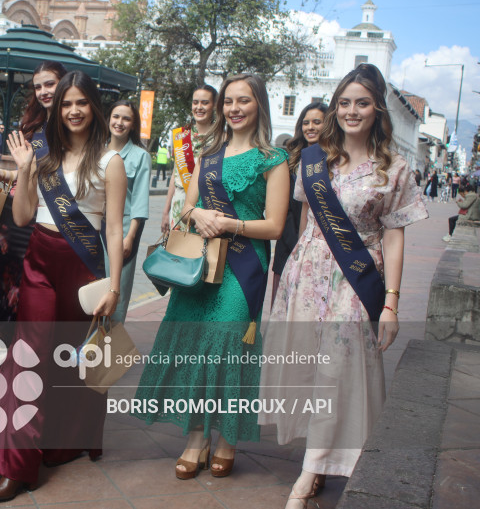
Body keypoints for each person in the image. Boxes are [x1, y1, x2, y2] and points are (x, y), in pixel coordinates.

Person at [258, 63, 428, 508]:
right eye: (345, 102)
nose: (352, 111)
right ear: (336, 108)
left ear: (378, 110)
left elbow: (394, 236)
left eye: (363, 103)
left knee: (337, 372)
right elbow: (307, 220)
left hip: (356, 280)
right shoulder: (315, 159)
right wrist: (290, 277)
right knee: (310, 370)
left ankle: (308, 474)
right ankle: (317, 463)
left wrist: (390, 303)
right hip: (307, 275)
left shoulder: (394, 169)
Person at [0, 71, 127, 502]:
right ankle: (18, 467)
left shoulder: (110, 161)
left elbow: (113, 229)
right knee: (28, 358)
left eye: (81, 103)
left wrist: (115, 287)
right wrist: (26, 169)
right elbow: (23, 215)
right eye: (66, 103)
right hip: (39, 264)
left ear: (94, 107)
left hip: (81, 268)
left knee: (68, 359)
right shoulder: (44, 157)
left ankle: (62, 440)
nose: (73, 111)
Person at [132, 74, 289, 480]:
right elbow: (187, 207)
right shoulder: (210, 152)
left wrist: (229, 224)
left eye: (244, 101)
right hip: (199, 264)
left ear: (259, 105)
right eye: (229, 101)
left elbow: (275, 226)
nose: (234, 108)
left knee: (226, 345)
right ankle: (197, 437)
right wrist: (198, 213)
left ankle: (227, 438)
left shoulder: (274, 159)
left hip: (242, 267)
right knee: (194, 344)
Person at [0, 61, 67, 335]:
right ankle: (7, 350)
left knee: (40, 302)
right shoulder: (34, 127)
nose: (43, 91)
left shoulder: (75, 128)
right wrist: (1, 173)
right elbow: (29, 174)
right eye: (38, 87)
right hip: (17, 219)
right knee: (9, 292)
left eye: (50, 84)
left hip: (49, 223)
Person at [271, 102, 328, 303]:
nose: (310, 127)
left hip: (321, 248)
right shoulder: (290, 160)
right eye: (306, 123)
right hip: (288, 241)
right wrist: (297, 243)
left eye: (317, 122)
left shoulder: (334, 161)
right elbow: (283, 205)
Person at [105, 100, 151, 322]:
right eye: (116, 116)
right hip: (93, 228)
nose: (119, 122)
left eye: (126, 119)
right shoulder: (96, 150)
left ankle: (111, 341)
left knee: (117, 291)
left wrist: (130, 237)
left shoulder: (140, 156)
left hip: (122, 230)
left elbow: (140, 201)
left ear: (133, 125)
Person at [161, 84, 217, 233]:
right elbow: (175, 175)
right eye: (195, 102)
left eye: (205, 103)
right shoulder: (181, 136)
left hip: (205, 206)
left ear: (214, 105)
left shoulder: (221, 138)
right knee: (176, 246)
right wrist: (166, 211)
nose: (199, 107)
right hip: (179, 204)